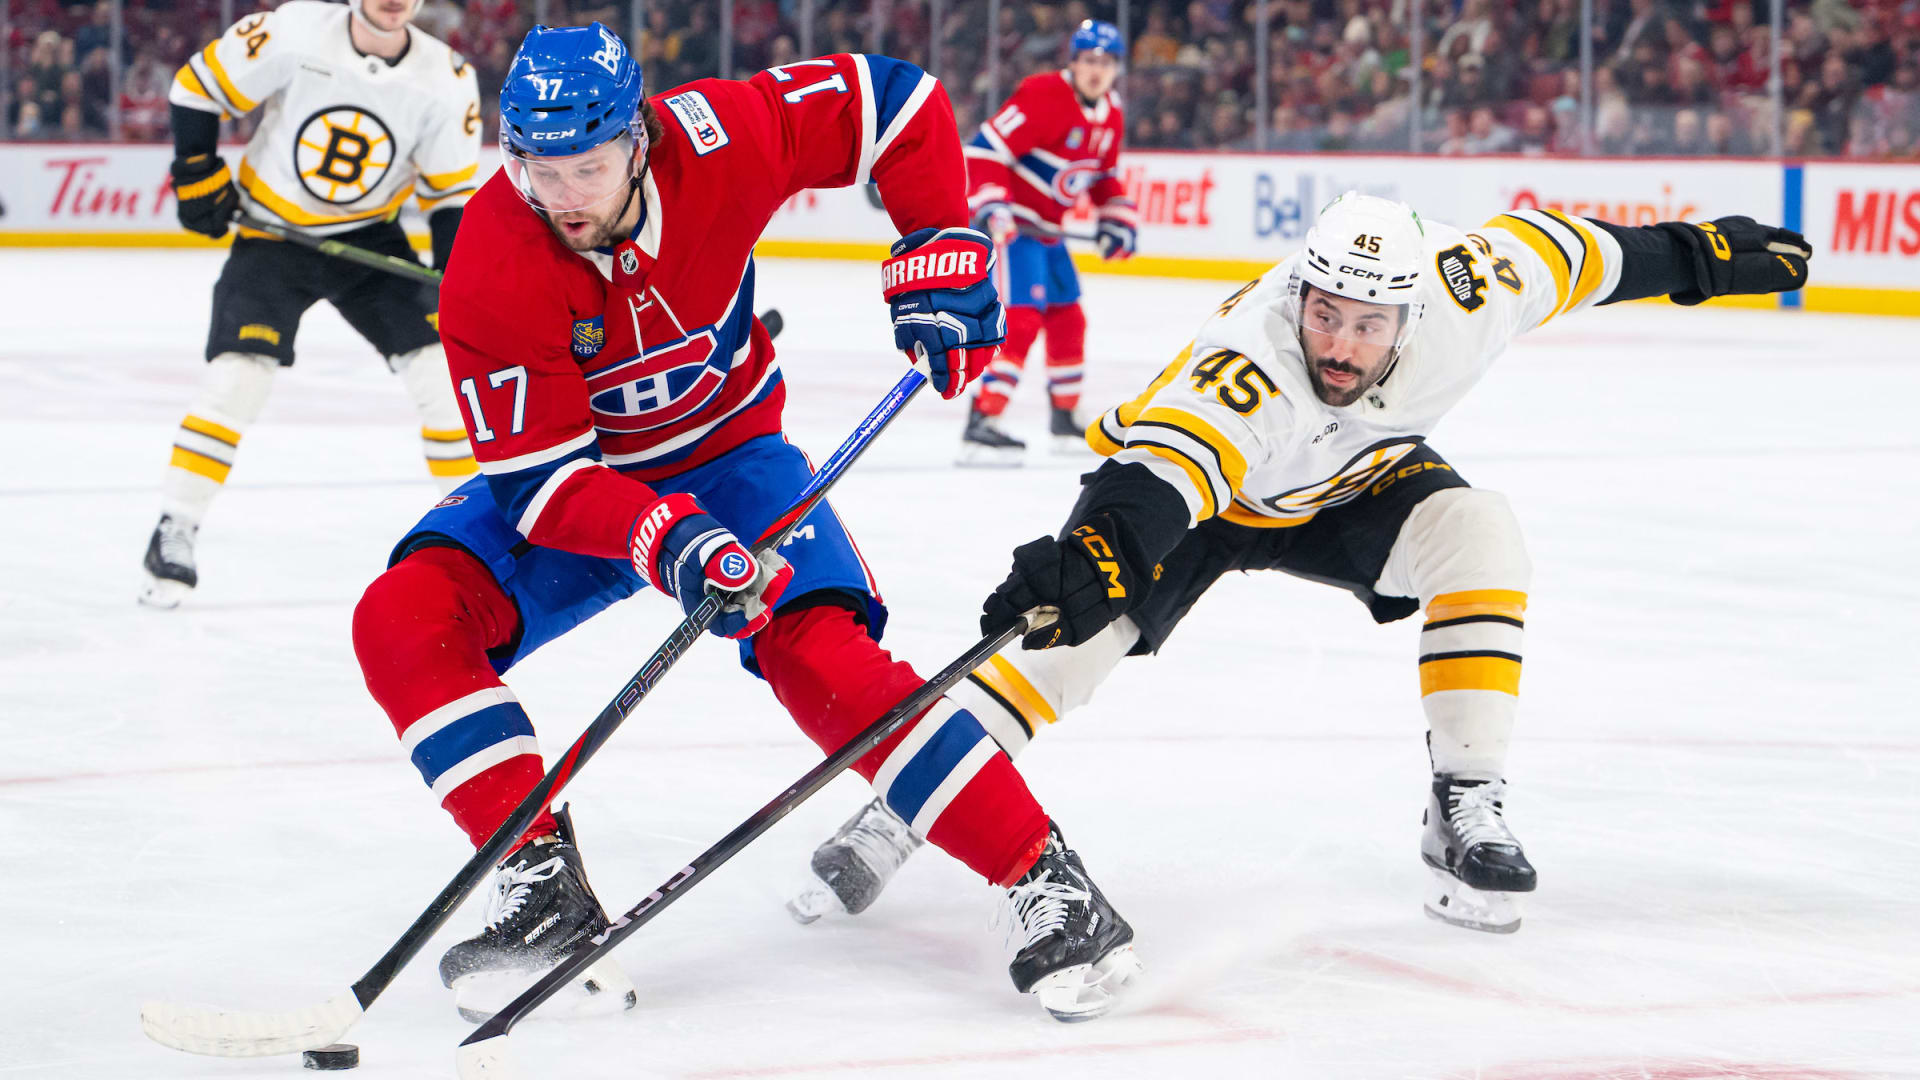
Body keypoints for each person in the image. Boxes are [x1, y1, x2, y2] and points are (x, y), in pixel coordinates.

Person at [348, 25, 1141, 1024]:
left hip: (733, 459)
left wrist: (938, 238)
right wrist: (665, 538)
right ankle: (540, 884)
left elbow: (897, 102)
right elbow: (541, 482)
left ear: (639, 139)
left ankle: (1046, 878)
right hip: (591, 487)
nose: (566, 197)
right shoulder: (491, 261)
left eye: (589, 167)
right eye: (541, 171)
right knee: (403, 618)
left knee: (821, 657)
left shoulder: (723, 136)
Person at [794, 192, 1811, 935]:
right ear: (1301, 293)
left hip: (1353, 482)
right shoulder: (1254, 363)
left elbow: (1581, 255)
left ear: (1414, 315)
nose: (1340, 344)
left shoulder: (1473, 293)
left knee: (1481, 531)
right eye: (1324, 313)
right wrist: (1102, 553)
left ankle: (1463, 800)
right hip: (1215, 496)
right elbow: (1166, 473)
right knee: (1071, 643)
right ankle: (905, 807)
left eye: (1368, 326)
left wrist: (1700, 256)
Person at [140, 0, 481, 607]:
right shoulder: (297, 30)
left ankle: (479, 534)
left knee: (442, 376)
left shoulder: (447, 78)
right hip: (272, 234)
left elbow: (449, 196)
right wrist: (195, 170)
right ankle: (176, 526)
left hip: (369, 238)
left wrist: (452, 275)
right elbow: (197, 87)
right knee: (238, 378)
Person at [959, 19, 1139, 464]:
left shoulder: (1111, 113)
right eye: (1089, 60)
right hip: (1015, 231)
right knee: (1020, 321)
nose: (1097, 70)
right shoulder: (1043, 95)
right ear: (1073, 62)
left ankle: (1064, 417)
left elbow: (1102, 177)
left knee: (1068, 319)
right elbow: (984, 150)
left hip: (1050, 233)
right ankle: (982, 420)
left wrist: (1117, 219)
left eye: (1107, 63)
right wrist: (994, 204)